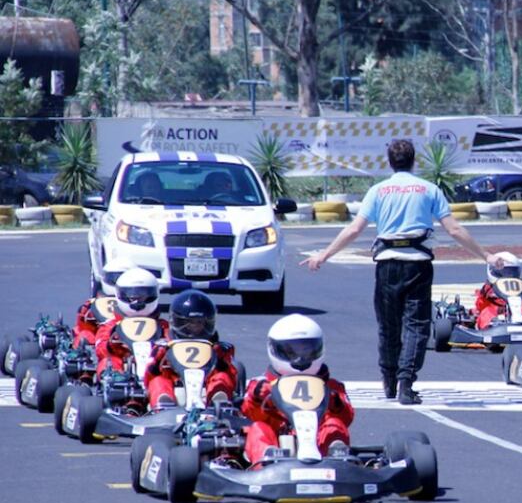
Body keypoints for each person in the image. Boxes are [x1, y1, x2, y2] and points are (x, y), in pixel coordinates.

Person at [301, 139, 502, 404]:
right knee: (417, 326)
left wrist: (323, 255)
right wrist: (486, 255)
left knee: (388, 326)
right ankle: (406, 382)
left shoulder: (378, 191)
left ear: (389, 162)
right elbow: (454, 230)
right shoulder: (429, 190)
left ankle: (389, 379)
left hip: (387, 265)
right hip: (417, 264)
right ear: (414, 161)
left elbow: (354, 230)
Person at [241, 314, 354, 464]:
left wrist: (336, 404)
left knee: (334, 423)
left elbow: (347, 418)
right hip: (277, 443)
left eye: (306, 351)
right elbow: (248, 415)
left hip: (318, 445)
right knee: (258, 428)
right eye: (292, 352)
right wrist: (258, 399)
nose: (300, 359)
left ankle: (338, 456)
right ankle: (267, 458)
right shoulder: (261, 384)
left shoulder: (331, 387)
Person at [144, 290, 238, 409]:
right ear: (176, 321)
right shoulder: (163, 347)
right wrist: (159, 361)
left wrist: (218, 354)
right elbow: (149, 374)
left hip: (206, 390)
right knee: (159, 381)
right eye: (189, 323)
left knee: (222, 377)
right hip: (175, 388)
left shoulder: (219, 348)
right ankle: (163, 403)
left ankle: (219, 400)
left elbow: (231, 373)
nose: (195, 327)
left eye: (199, 322)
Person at [94, 268, 170, 376]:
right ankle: (114, 380)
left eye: (143, 296)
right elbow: (100, 348)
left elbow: (175, 348)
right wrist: (112, 345)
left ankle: (161, 390)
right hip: (124, 367)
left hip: (153, 368)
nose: (137, 301)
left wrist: (162, 348)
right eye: (132, 297)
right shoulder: (112, 325)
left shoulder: (162, 326)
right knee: (109, 361)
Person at [474, 251, 522, 330]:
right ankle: (488, 329)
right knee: (487, 313)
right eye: (503, 272)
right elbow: (481, 305)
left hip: (518, 313)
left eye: (510, 272)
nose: (507, 275)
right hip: (494, 315)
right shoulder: (488, 288)